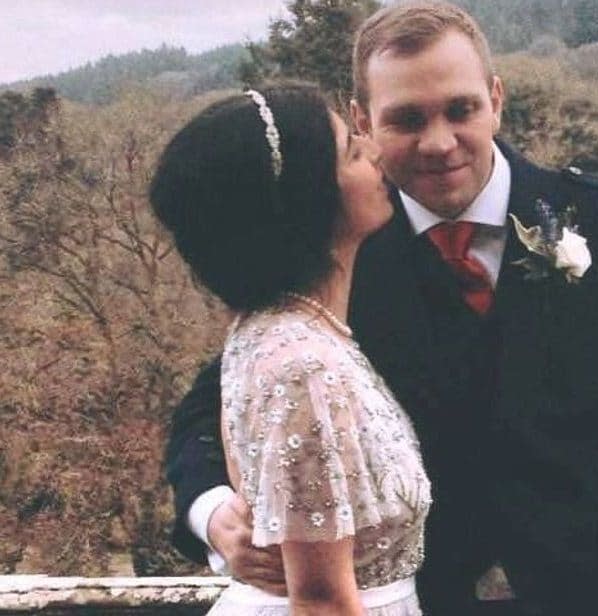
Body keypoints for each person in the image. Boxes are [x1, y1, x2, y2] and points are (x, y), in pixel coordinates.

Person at [165, 2, 598, 614]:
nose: (439, 143)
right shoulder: (335, 250)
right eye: (407, 119)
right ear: (364, 121)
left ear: (496, 98)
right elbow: (215, 406)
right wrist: (213, 511)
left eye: (460, 109)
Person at [151, 83, 431, 615]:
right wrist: (209, 512)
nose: (374, 152)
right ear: (313, 198)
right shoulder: (303, 365)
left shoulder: (269, 327)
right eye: (352, 147)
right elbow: (323, 601)